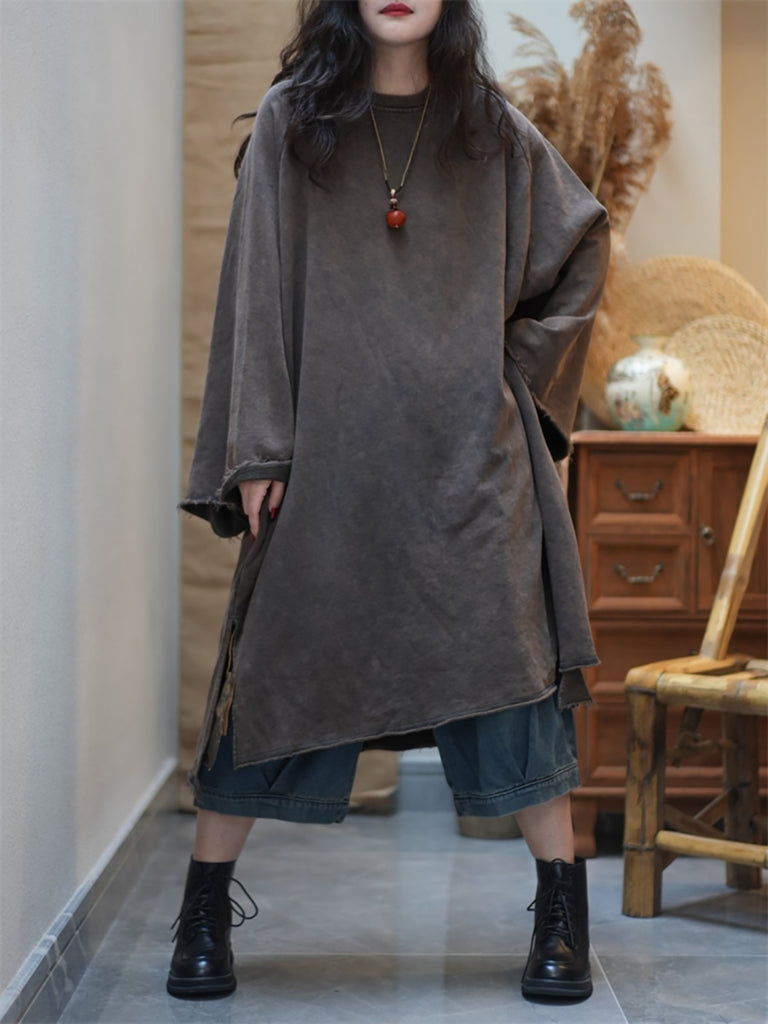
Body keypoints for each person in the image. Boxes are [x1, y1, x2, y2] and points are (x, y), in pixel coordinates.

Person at [170, 0, 609, 1005]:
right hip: (327, 464)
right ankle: (203, 909)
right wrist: (259, 446)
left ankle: (559, 913)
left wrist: (514, 376)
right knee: (273, 671)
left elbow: (582, 243)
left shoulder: (490, 130)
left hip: (472, 467)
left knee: (514, 680)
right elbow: (255, 288)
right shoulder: (292, 121)